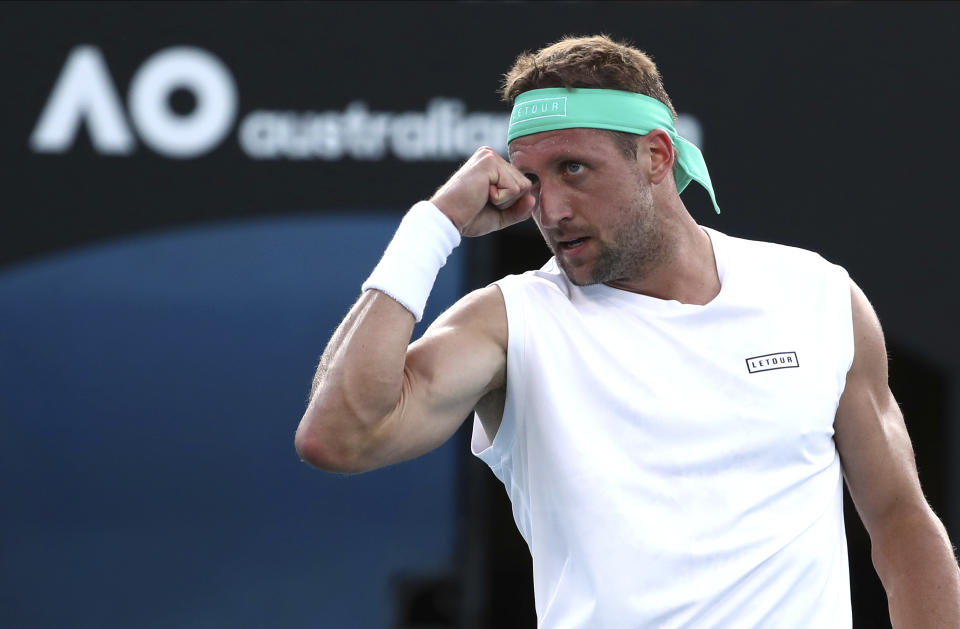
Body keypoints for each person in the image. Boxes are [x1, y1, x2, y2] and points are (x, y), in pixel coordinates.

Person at [295, 35, 960, 627]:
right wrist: (433, 224)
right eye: (530, 178)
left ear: (655, 156)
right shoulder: (510, 319)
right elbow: (338, 435)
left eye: (574, 170)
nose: (549, 209)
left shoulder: (819, 295)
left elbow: (901, 520)